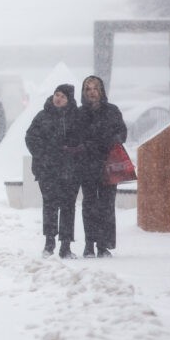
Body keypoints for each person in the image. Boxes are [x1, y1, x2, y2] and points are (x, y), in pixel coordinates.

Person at [24, 85, 83, 258]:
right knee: (50, 206)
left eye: (63, 97)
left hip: (70, 170)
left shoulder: (75, 117)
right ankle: (49, 243)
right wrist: (44, 154)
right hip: (47, 170)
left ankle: (65, 246)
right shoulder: (42, 116)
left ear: (69, 100)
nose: (58, 98)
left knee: (68, 207)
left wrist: (72, 150)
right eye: (57, 95)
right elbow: (30, 138)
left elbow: (81, 140)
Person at [79, 75, 128, 258]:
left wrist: (114, 140)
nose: (92, 92)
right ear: (84, 92)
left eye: (95, 88)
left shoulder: (112, 111)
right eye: (88, 89)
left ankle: (103, 244)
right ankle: (89, 244)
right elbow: (75, 137)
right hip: (87, 164)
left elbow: (122, 131)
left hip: (109, 164)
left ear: (101, 91)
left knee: (107, 205)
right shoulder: (80, 114)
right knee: (90, 205)